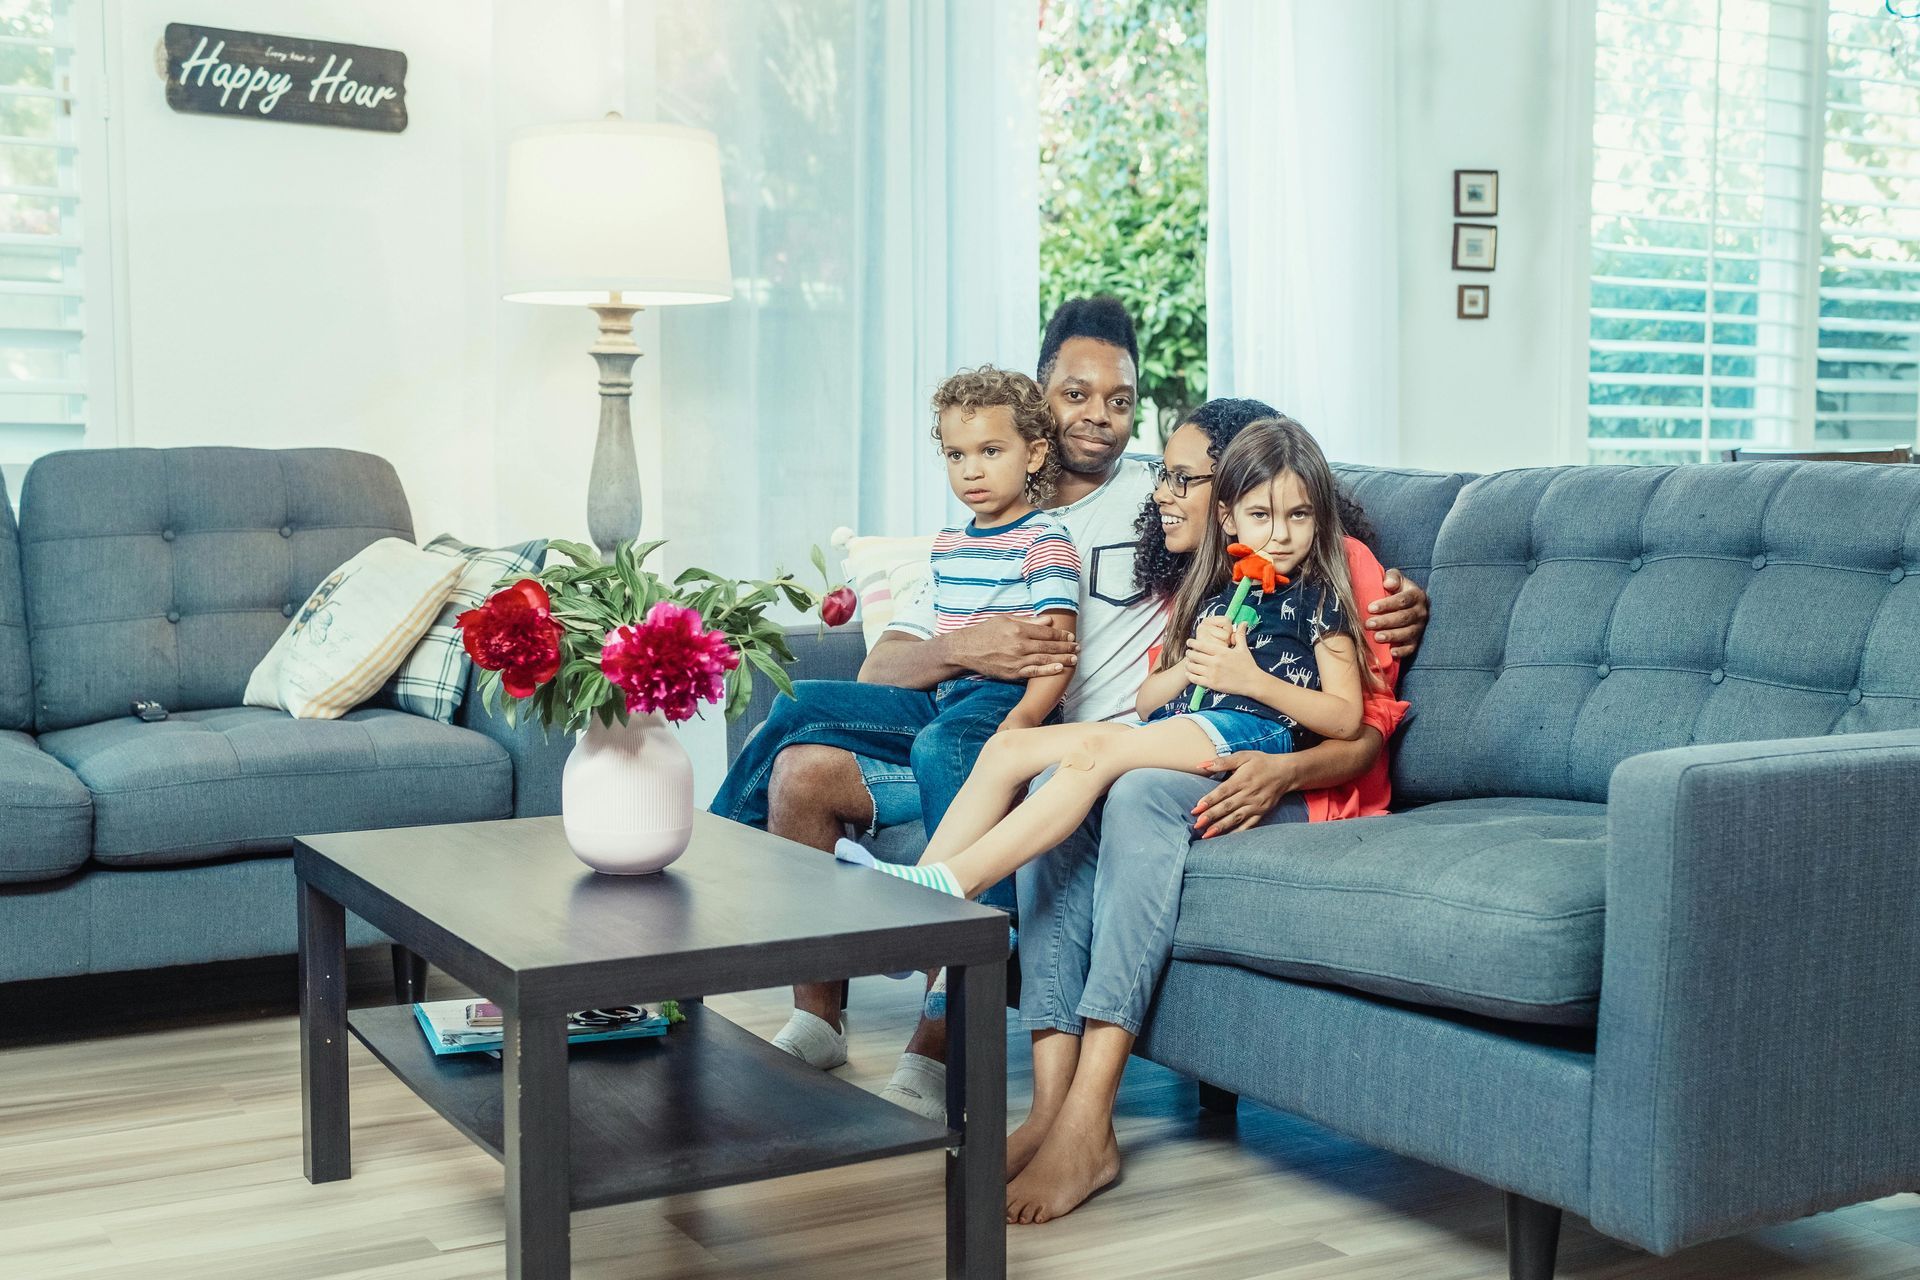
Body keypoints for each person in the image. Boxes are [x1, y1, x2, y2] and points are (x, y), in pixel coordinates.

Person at [706, 296, 1432, 1116]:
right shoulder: (995, 503)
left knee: (970, 751)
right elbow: (884, 664)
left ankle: (941, 1034)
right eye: (1075, 394)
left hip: (1099, 740)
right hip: (1003, 715)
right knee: (804, 763)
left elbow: (1325, 606)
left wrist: (1395, 599)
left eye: (1120, 400)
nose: (1099, 417)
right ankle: (808, 1005)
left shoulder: (1179, 509)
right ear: (1038, 406)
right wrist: (968, 647)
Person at [989, 398, 1416, 1225]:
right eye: (1168, 477)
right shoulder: (1213, 582)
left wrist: (1284, 773)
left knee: (1136, 788)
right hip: (1212, 755)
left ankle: (1089, 1118)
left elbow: (1363, 727)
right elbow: (1165, 694)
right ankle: (1048, 1108)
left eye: (1183, 477)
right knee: (1064, 791)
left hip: (1310, 784)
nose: (1164, 493)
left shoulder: (1338, 566)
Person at [838, 416, 1373, 901]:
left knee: (1090, 757)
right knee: (1007, 749)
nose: (1280, 534)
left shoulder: (1322, 599)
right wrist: (1192, 666)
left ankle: (956, 883)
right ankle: (913, 903)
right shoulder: (1213, 595)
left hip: (1247, 731)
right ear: (1229, 520)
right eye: (1261, 516)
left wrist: (1252, 680)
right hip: (1176, 723)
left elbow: (1347, 718)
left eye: (1298, 516)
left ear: (1319, 518)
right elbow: (1148, 701)